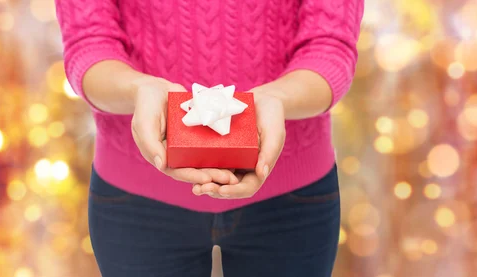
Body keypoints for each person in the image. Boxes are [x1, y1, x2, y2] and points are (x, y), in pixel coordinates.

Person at [56, 0, 363, 276]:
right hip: (135, 198)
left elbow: (330, 46)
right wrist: (137, 89)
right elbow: (88, 43)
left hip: (292, 197)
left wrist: (278, 98)